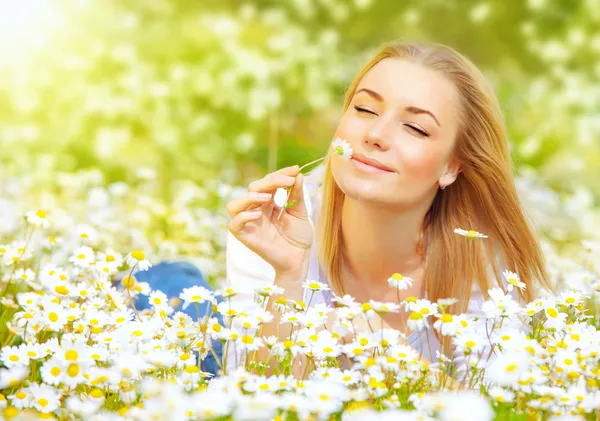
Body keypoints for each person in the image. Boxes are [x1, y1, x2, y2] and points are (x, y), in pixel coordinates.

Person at [225, 41, 552, 375]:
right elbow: (255, 395)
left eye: (415, 128)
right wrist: (289, 276)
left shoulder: (485, 261)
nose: (376, 134)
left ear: (452, 167)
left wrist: (391, 355)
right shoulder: (276, 222)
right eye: (365, 109)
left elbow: (500, 405)